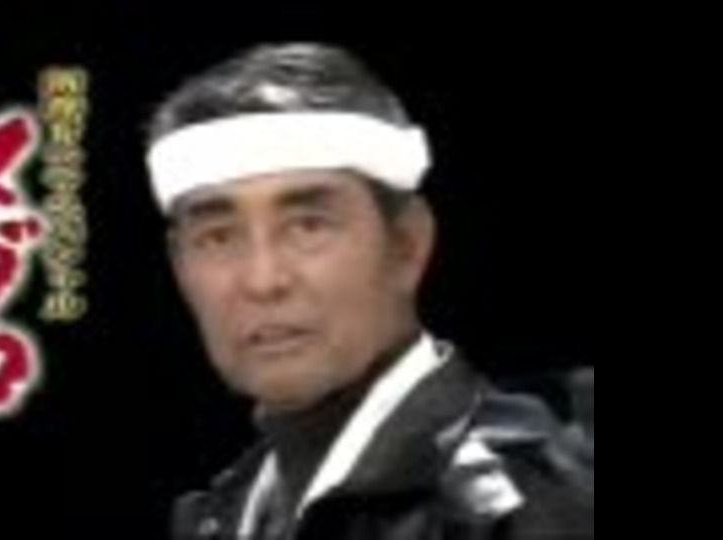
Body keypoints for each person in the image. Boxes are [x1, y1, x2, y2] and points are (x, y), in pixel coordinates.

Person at [144, 43, 594, 540]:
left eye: (308, 226)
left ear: (406, 244)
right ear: (178, 266)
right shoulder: (223, 514)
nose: (263, 280)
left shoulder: (522, 504)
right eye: (218, 237)